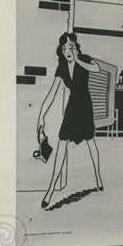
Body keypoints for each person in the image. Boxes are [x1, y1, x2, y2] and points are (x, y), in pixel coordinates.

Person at [37, 32, 104, 208]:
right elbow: (52, 94)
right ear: (61, 50)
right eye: (65, 48)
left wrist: (78, 59)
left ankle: (98, 178)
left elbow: (97, 69)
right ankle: (50, 191)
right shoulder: (61, 68)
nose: (68, 51)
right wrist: (41, 117)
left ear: (76, 48)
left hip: (85, 106)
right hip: (73, 107)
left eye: (71, 47)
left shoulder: (86, 59)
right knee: (62, 143)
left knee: (90, 141)